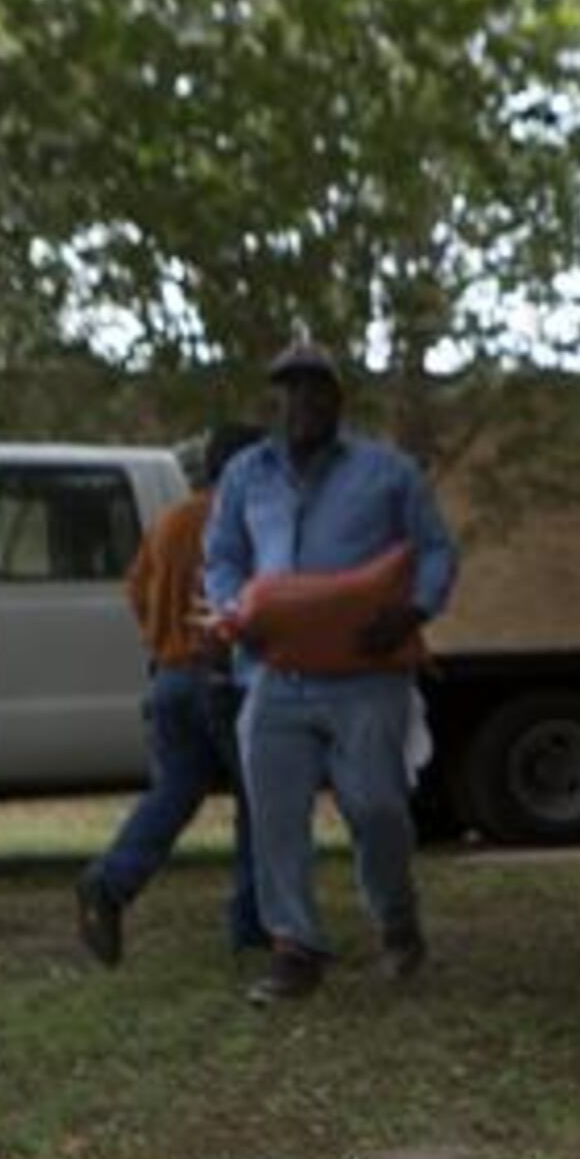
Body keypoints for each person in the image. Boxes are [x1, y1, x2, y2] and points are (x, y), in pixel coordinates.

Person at [203, 342, 459, 1006]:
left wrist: (411, 612)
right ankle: (295, 947)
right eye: (288, 391)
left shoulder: (386, 471)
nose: (301, 403)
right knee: (274, 814)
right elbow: (223, 557)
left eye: (315, 389)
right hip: (274, 673)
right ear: (275, 402)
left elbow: (435, 550)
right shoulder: (244, 475)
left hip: (366, 674)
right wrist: (235, 611)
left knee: (376, 806)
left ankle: (397, 921)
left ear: (338, 400)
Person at [76, 424, 267, 967]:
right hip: (223, 676)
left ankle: (109, 883)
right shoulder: (244, 522)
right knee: (259, 799)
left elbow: (135, 589)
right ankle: (251, 924)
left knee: (174, 793)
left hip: (169, 679)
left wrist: (162, 639)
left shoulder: (169, 522)